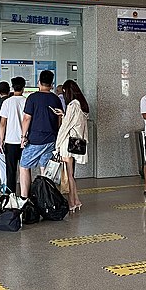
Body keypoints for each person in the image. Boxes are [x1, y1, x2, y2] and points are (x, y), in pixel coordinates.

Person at [19, 70, 63, 199]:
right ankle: (44, 197)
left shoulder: (32, 98)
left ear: (39, 82)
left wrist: (23, 136)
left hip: (35, 139)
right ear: (52, 84)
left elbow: (27, 118)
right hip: (51, 139)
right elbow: (59, 120)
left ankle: (24, 198)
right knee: (45, 167)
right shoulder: (55, 99)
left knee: (24, 166)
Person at [52, 79, 89, 212]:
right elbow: (76, 122)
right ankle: (76, 200)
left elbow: (65, 127)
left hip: (68, 144)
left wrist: (56, 145)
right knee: (71, 174)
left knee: (69, 175)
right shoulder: (81, 105)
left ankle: (73, 202)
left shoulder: (72, 105)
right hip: (77, 143)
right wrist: (63, 114)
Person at [0, 77, 27, 194]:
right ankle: (25, 195)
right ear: (23, 88)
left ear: (12, 87)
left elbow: (2, 123)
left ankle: (11, 196)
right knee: (25, 170)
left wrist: (1, 140)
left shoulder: (7, 102)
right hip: (25, 141)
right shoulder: (27, 101)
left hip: (10, 141)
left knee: (10, 171)